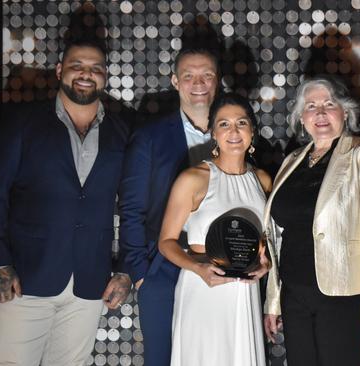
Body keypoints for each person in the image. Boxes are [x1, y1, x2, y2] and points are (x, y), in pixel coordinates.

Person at [0, 37, 131, 366]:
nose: (85, 74)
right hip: (25, 277)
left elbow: (133, 205)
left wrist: (127, 269)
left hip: (90, 279)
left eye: (95, 68)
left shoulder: (123, 131)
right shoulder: (22, 121)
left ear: (105, 76)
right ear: (60, 70)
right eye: (77, 66)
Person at [263, 76, 360, 366]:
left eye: (329, 104)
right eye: (311, 106)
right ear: (301, 117)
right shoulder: (291, 162)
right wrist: (273, 302)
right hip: (294, 297)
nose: (320, 113)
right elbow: (278, 238)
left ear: (345, 112)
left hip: (344, 299)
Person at [118, 46, 219, 365]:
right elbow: (131, 207)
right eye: (189, 76)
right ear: (176, 81)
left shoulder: (234, 133)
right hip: (162, 266)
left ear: (218, 81)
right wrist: (141, 272)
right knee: (162, 359)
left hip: (218, 264)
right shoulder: (150, 136)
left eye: (206, 75)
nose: (198, 82)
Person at [157, 93, 272, 366]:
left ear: (252, 131)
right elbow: (166, 242)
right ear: (213, 132)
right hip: (203, 288)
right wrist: (199, 269)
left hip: (245, 291)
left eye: (241, 123)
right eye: (224, 124)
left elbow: (266, 239)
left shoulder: (263, 180)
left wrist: (266, 264)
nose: (233, 131)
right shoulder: (193, 179)